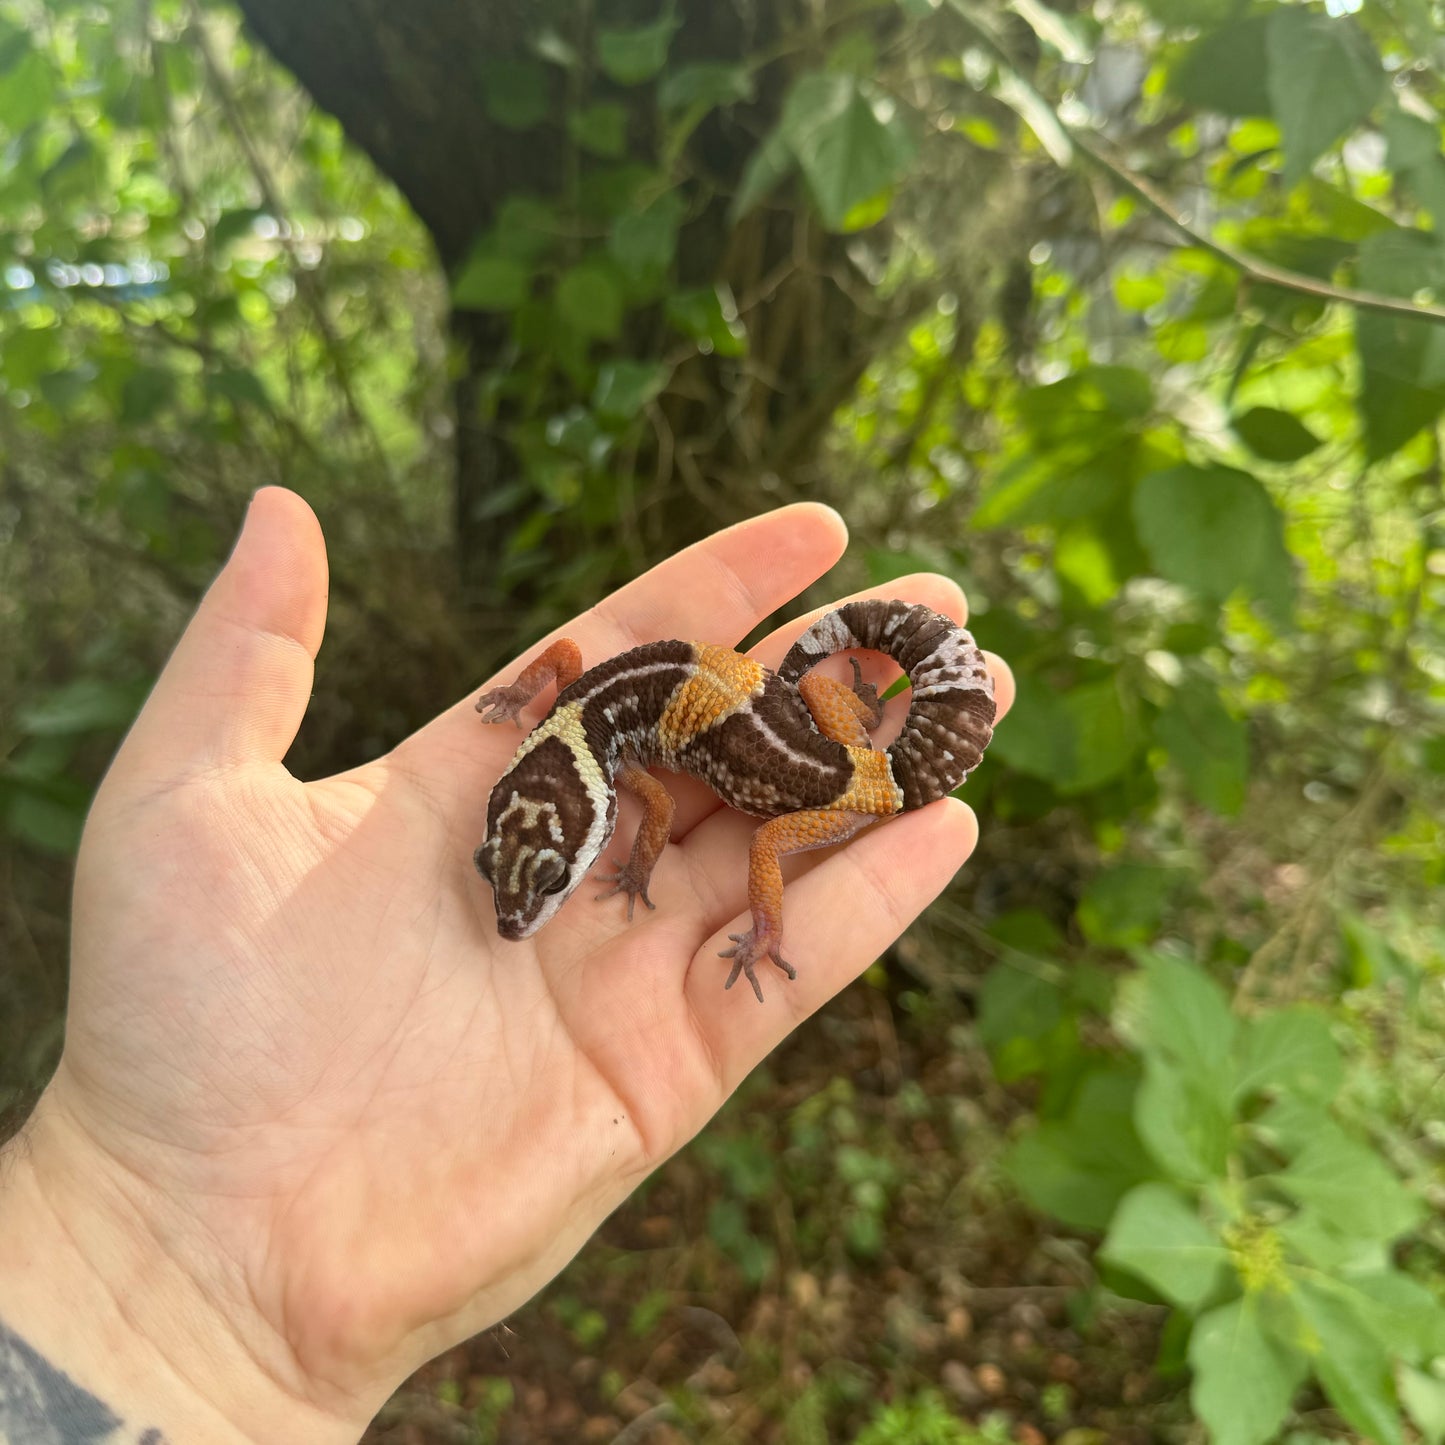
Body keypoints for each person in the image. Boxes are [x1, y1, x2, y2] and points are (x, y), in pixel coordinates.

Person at [0, 490, 1013, 1443]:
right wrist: (818, 682)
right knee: (813, 701)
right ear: (513, 814)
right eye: (517, 869)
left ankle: (801, 826)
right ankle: (854, 668)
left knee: (760, 848)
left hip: (845, 777)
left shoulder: (609, 761)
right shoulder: (572, 719)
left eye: (554, 872)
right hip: (811, 722)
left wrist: (722, 903)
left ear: (581, 817)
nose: (523, 902)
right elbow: (579, 678)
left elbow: (650, 800)